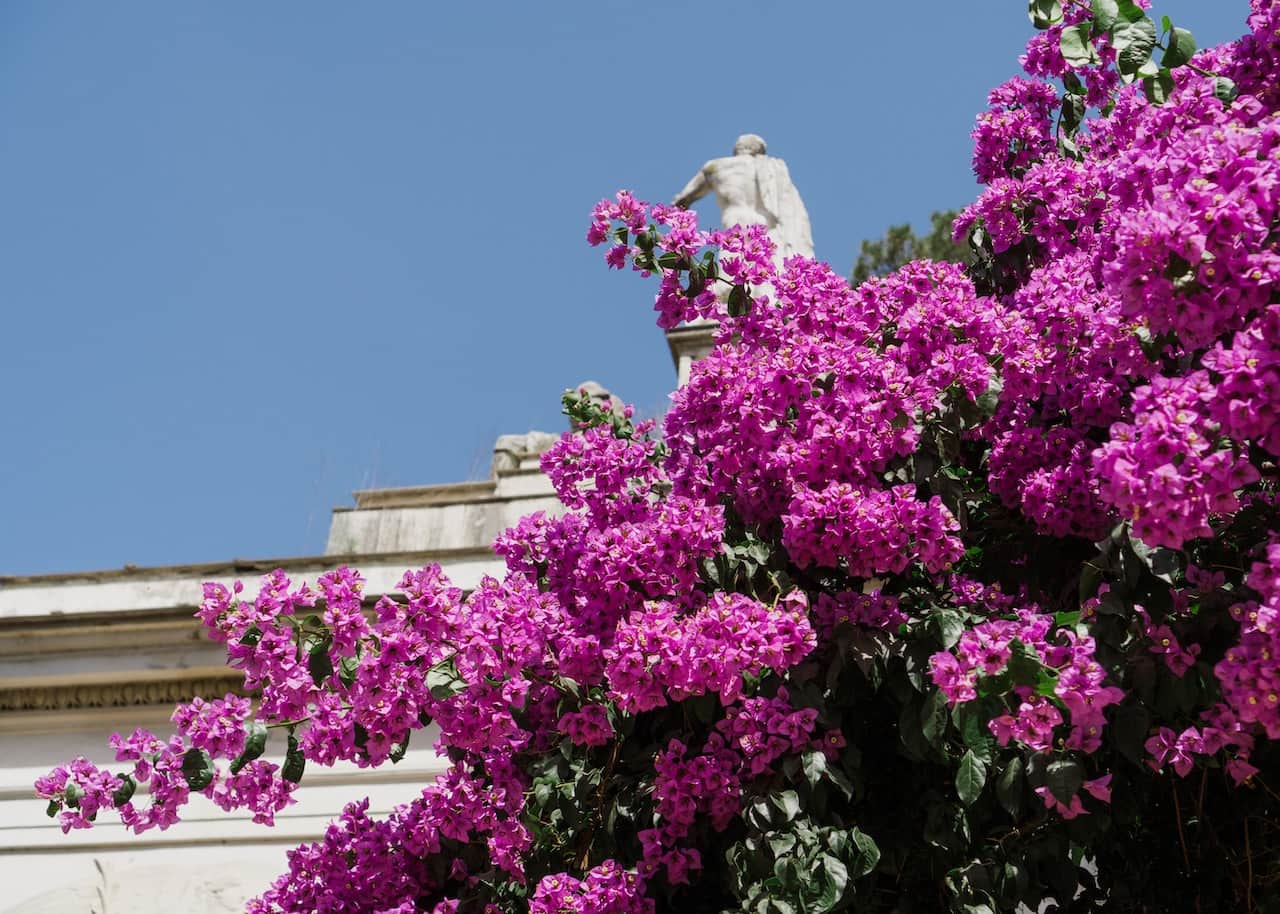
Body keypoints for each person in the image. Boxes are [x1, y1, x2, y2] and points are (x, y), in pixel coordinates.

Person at [672, 134, 814, 266]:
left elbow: (683, 199)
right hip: (764, 224)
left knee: (732, 263)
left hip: (735, 218)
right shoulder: (771, 169)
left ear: (737, 148)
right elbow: (790, 207)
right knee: (764, 269)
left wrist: (678, 227)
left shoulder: (716, 167)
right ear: (760, 151)